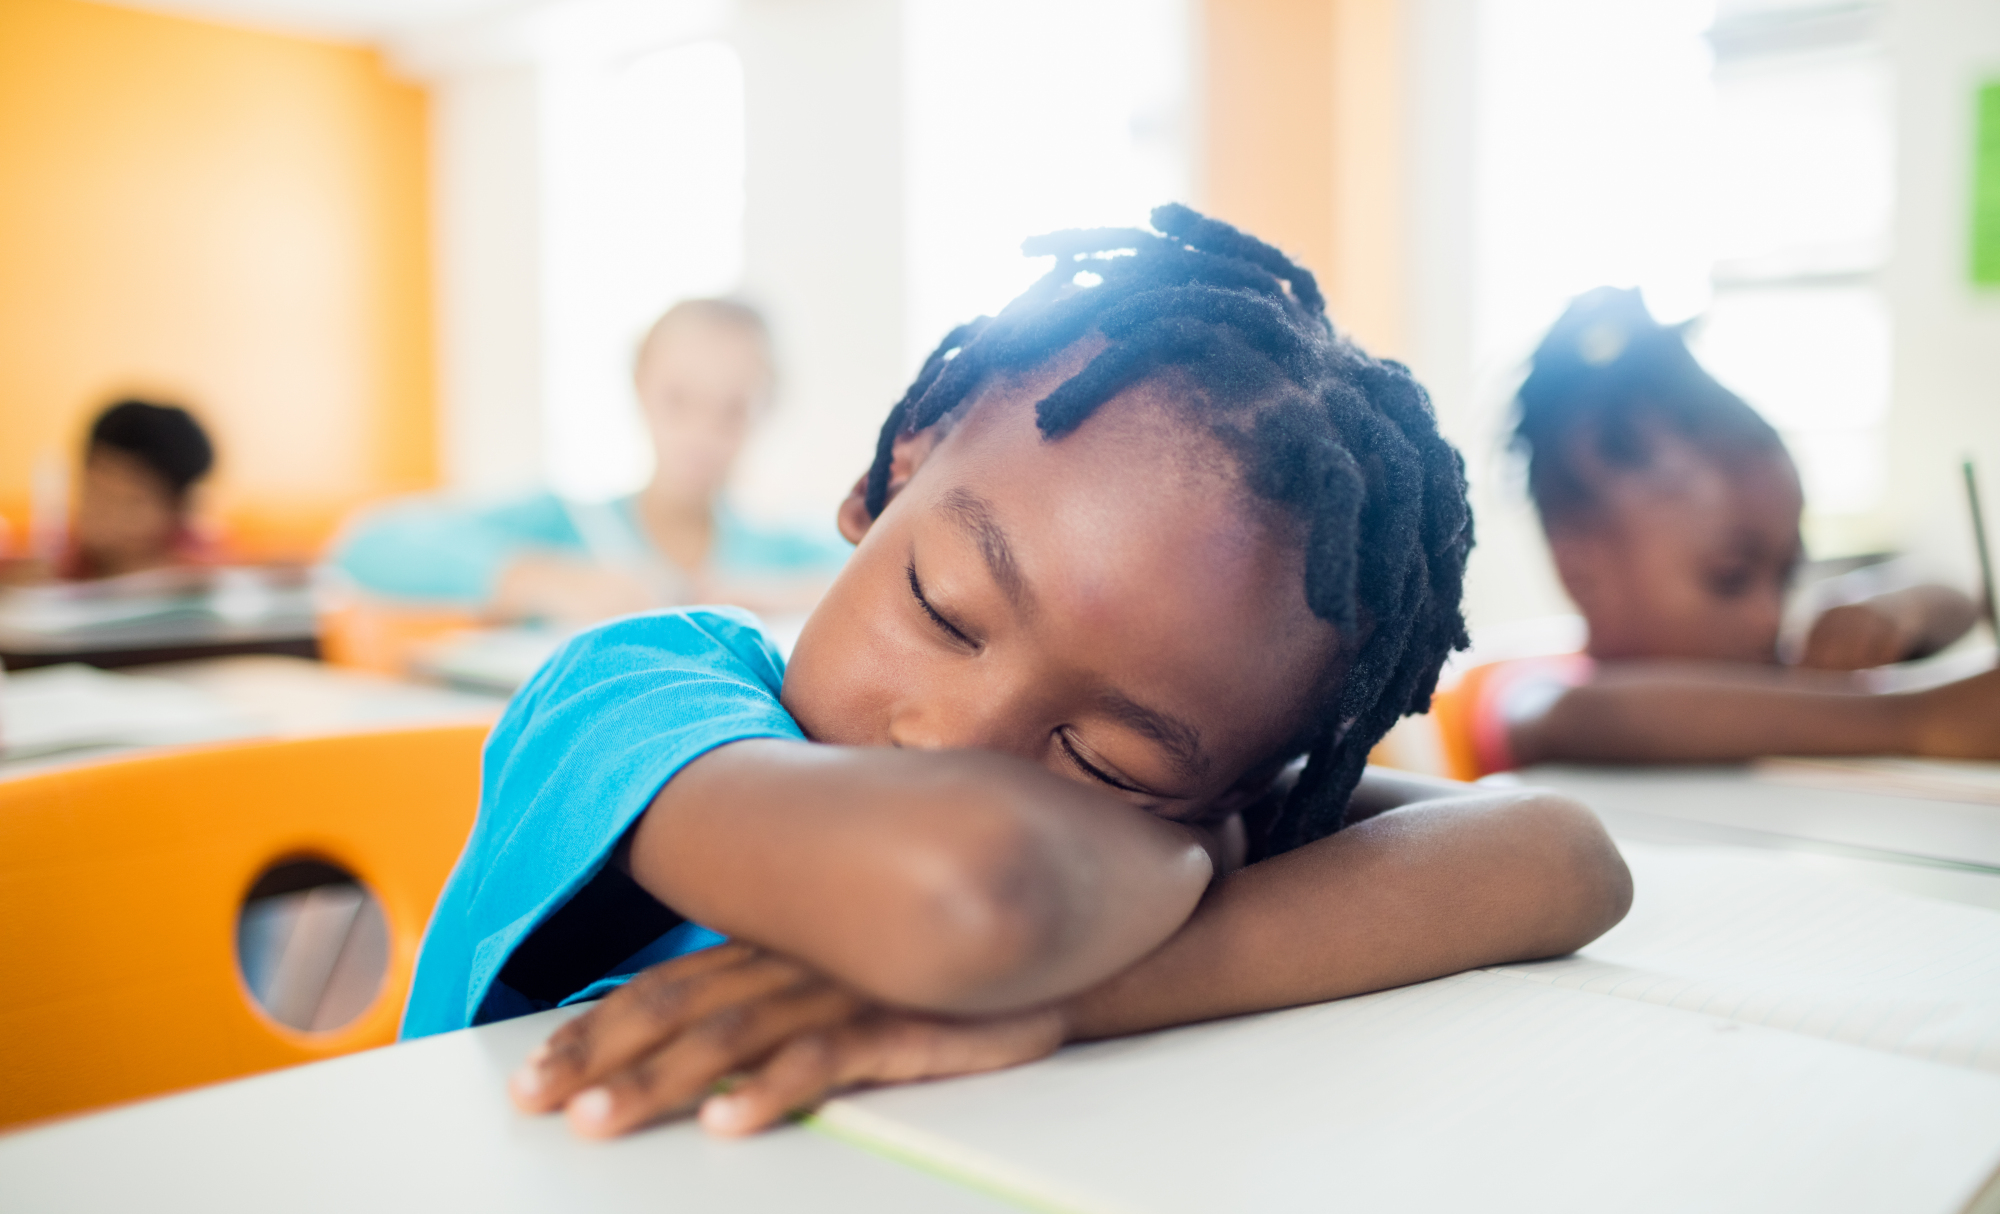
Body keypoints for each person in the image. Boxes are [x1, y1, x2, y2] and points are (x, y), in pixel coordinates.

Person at [400, 206, 1632, 1140]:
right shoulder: (634, 692)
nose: (959, 743)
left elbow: (1562, 858)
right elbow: (967, 885)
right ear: (891, 468)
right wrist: (1191, 850)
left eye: (1109, 759)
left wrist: (1067, 996)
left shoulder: (1193, 793)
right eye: (943, 610)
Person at [1432, 288, 1998, 777]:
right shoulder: (1537, 696)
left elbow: (1954, 598)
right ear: (1580, 565)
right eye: (1730, 578)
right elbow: (1605, 718)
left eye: (1786, 575)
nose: (1769, 615)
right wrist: (1919, 717)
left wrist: (1894, 612)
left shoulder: (1759, 665)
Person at [331, 298, 845, 625]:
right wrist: (542, 580)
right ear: (640, 387)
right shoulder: (564, 525)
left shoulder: (777, 552)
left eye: (731, 411)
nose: (701, 435)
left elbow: (871, 571)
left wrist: (772, 597)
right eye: (678, 401)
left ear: (767, 407)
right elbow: (366, 544)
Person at [64, 400, 217, 579]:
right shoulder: (58, 572)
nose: (106, 515)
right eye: (93, 491)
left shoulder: (199, 582)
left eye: (130, 503)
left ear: (177, 508)